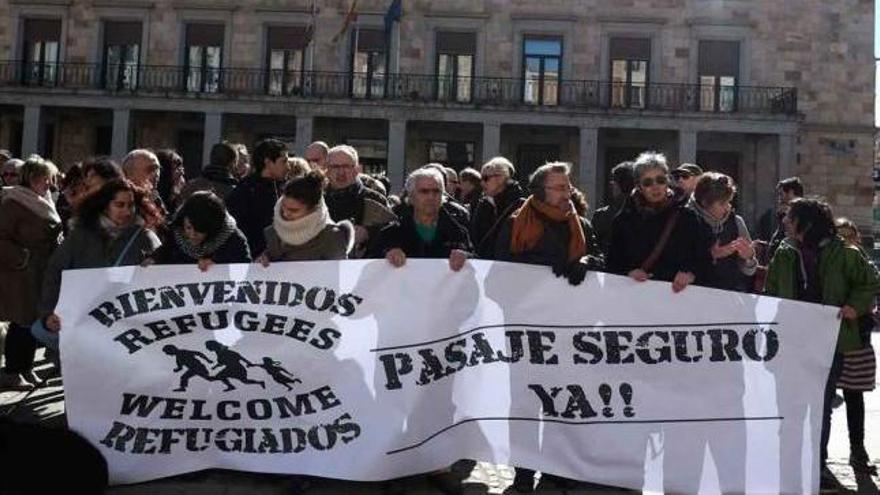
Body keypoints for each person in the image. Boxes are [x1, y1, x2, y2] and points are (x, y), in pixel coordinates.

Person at [765, 198, 880, 487]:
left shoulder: (845, 253)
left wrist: (855, 305)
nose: (785, 222)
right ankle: (786, 463)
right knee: (787, 405)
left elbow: (869, 282)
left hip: (828, 342)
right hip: (791, 341)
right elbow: (771, 292)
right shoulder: (784, 252)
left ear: (806, 222)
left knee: (820, 406)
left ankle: (816, 464)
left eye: (790, 217)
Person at [36, 179, 162, 351]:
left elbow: (161, 281)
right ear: (105, 206)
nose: (126, 211)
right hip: (83, 324)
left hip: (126, 330)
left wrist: (153, 267)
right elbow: (54, 273)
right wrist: (49, 313)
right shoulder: (81, 237)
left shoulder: (145, 238)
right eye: (120, 205)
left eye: (131, 205)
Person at [0, 156, 63, 390]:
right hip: (20, 274)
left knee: (32, 321)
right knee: (21, 322)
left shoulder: (42, 200)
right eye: (46, 179)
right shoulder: (13, 202)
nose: (50, 184)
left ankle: (26, 368)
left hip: (40, 272)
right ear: (33, 178)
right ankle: (12, 372)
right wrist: (22, 258)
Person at [607, 151, 711, 292]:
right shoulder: (624, 220)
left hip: (679, 299)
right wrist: (628, 273)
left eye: (660, 180)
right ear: (638, 186)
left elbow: (705, 258)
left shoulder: (687, 217)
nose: (655, 186)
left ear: (667, 181)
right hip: (636, 298)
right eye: (648, 182)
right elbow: (612, 263)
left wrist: (691, 274)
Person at [495, 162, 603, 285]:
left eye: (569, 188)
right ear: (540, 191)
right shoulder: (515, 222)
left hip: (570, 301)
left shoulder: (582, 225)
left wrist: (586, 262)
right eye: (560, 188)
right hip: (526, 299)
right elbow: (501, 263)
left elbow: (600, 260)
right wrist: (544, 262)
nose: (567, 195)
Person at [830, 217, 877, 476]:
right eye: (840, 236)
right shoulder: (829, 262)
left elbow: (869, 291)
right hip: (830, 340)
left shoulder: (862, 264)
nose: (846, 241)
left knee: (854, 398)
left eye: (850, 236)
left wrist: (858, 307)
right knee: (824, 401)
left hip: (856, 341)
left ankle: (858, 451)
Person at [376, 168, 472, 270]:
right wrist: (387, 254)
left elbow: (477, 261)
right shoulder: (391, 233)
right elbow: (370, 264)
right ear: (411, 196)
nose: (431, 197)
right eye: (424, 191)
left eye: (436, 191)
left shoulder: (458, 232)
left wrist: (466, 257)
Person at [258, 170, 354, 263]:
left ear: (313, 210)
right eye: (283, 207)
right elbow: (268, 259)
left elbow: (339, 275)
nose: (285, 213)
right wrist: (264, 260)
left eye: (294, 210)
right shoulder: (274, 232)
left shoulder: (331, 236)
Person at [324, 145, 396, 257]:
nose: (341, 172)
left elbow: (393, 234)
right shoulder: (317, 200)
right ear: (327, 171)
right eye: (335, 167)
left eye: (346, 166)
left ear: (357, 170)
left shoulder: (374, 198)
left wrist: (369, 233)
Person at [149, 191, 250, 270]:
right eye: (188, 228)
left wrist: (219, 265)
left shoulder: (234, 240)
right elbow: (166, 250)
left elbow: (245, 271)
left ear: (212, 228)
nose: (192, 235)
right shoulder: (176, 234)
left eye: (200, 230)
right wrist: (154, 259)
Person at [691, 172, 758, 292]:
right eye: (722, 203)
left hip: (728, 297)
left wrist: (749, 257)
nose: (727, 208)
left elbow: (749, 270)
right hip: (693, 296)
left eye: (728, 202)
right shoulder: (685, 221)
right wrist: (711, 255)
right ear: (705, 203)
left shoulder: (736, 222)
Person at [226, 138, 290, 256]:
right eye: (284, 161)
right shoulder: (244, 192)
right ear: (268, 162)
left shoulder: (286, 190)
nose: (288, 167)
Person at [470, 157, 527, 258]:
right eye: (481, 179)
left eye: (486, 178)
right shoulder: (482, 204)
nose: (482, 183)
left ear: (501, 177)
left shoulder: (518, 205)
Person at [591, 161, 634, 256]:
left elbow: (594, 249)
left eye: (614, 182)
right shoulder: (648, 213)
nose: (612, 186)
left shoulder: (602, 216)